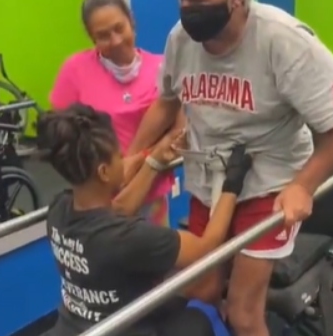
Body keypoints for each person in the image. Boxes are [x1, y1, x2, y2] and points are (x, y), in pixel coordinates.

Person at [126, 0, 333, 334]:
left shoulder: (281, 40)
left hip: (269, 184)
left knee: (242, 311)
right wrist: (134, 156)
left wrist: (304, 186)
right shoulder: (180, 40)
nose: (188, 9)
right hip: (209, 182)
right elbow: (165, 103)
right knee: (202, 290)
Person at [38, 103, 253, 336]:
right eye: (118, 156)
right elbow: (205, 248)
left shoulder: (59, 208)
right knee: (203, 315)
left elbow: (119, 209)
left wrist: (154, 160)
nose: (124, 158)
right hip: (124, 330)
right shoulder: (130, 238)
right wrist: (232, 184)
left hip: (74, 327)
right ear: (103, 172)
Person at [49, 0, 184, 226]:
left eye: (119, 28)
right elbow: (61, 139)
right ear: (92, 38)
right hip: (98, 205)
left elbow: (179, 134)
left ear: (131, 21)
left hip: (151, 197)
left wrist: (137, 160)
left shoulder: (161, 67)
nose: (115, 40)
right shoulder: (75, 71)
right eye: (103, 36)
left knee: (156, 261)